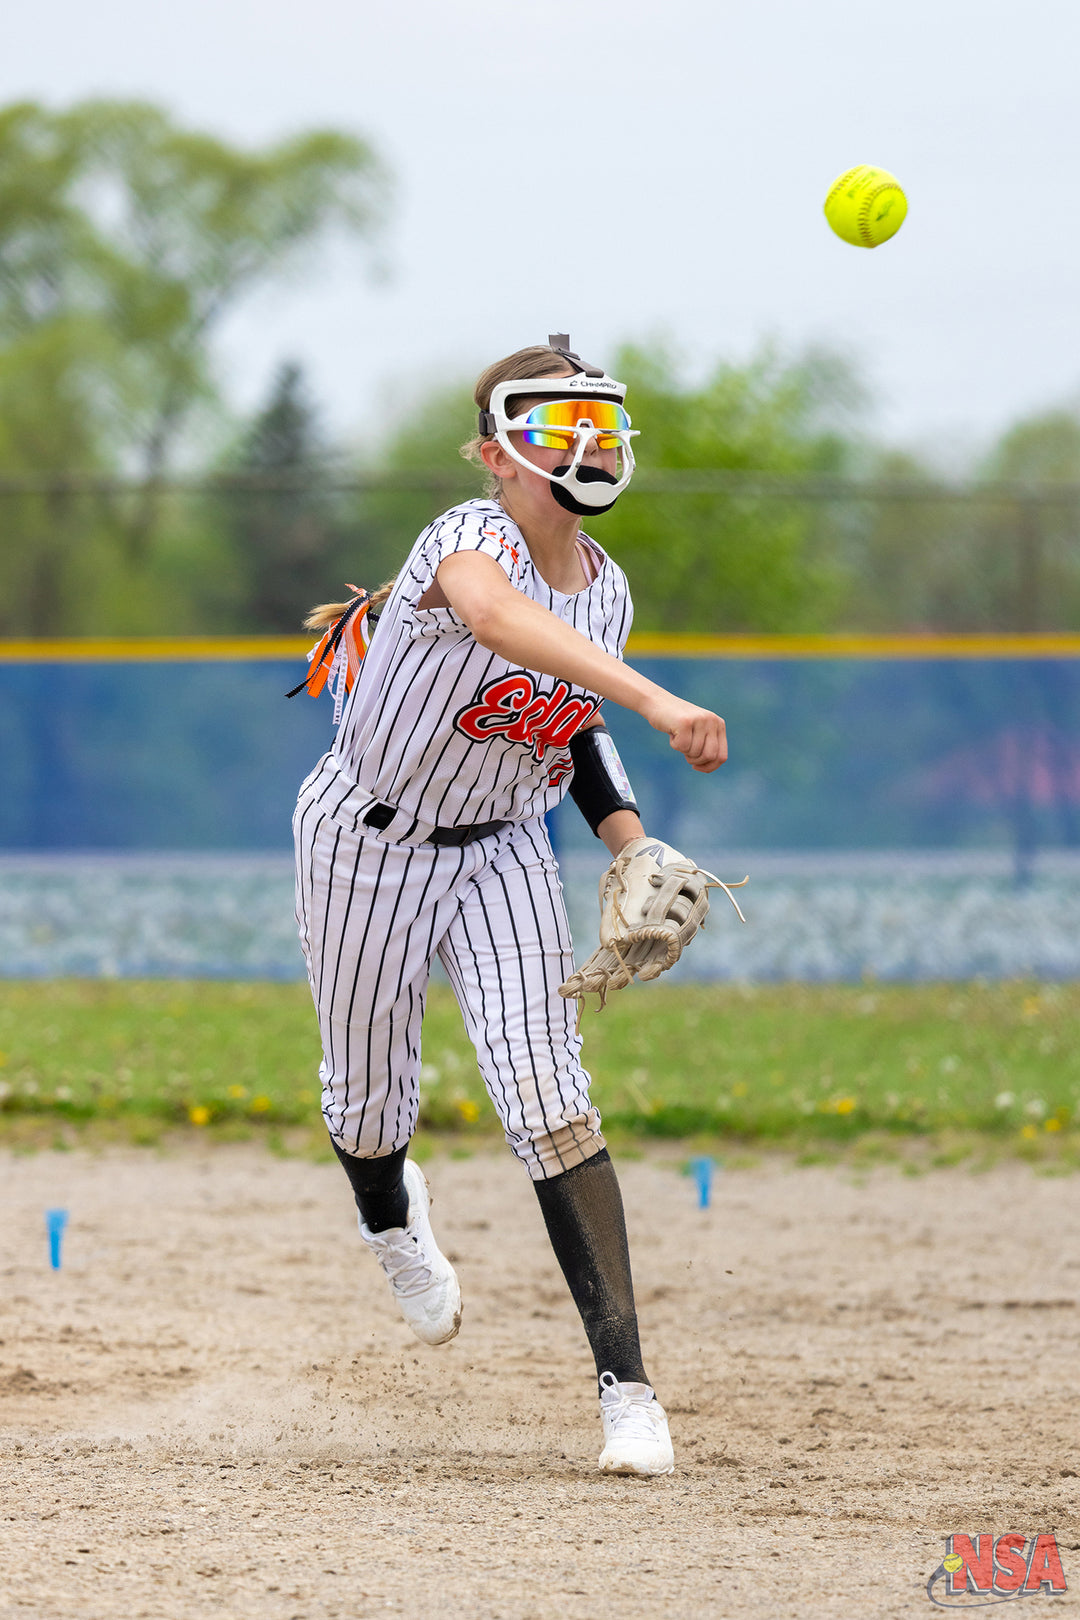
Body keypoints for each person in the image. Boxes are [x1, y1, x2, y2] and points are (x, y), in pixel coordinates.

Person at [292, 336, 727, 1477]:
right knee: (368, 1098)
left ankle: (628, 1390)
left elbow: (571, 721)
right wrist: (652, 692)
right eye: (553, 427)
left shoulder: (608, 587)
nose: (582, 446)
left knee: (548, 1094)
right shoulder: (465, 537)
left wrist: (630, 840)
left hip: (501, 852)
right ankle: (391, 1222)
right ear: (498, 454)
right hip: (364, 839)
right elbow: (494, 621)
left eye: (597, 425)